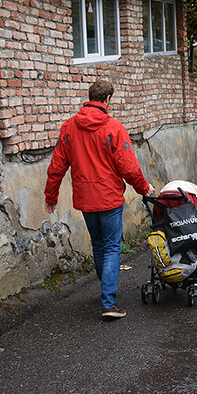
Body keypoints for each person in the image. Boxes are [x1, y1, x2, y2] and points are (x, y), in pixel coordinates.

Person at [44, 79, 155, 320]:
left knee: (98, 244)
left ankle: (106, 291)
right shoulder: (114, 128)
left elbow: (57, 166)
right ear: (107, 100)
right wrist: (144, 188)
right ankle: (108, 302)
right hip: (109, 198)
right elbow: (129, 167)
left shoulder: (68, 128)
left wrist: (50, 196)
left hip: (85, 199)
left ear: (90, 97)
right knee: (113, 246)